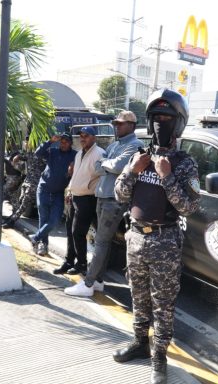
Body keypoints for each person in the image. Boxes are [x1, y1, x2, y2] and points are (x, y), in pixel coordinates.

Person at [112, 89, 200, 384]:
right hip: (135, 238)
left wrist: (167, 177)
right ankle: (139, 342)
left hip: (165, 240)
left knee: (163, 303)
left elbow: (188, 207)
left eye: (167, 118)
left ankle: (159, 356)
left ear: (178, 124)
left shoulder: (185, 163)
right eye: (156, 118)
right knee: (138, 296)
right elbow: (119, 195)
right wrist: (132, 172)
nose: (161, 123)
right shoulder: (139, 157)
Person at [63, 111, 143, 295]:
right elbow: (99, 168)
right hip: (102, 197)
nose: (116, 126)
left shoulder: (135, 145)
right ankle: (97, 280)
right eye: (115, 123)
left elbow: (115, 166)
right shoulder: (116, 145)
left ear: (132, 125)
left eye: (120, 124)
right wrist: (108, 164)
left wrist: (107, 164)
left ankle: (89, 283)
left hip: (114, 200)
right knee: (104, 242)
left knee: (101, 242)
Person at [59, 126, 105, 275]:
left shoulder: (100, 154)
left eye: (86, 135)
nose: (83, 138)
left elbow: (102, 176)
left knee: (78, 232)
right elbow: (76, 175)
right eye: (81, 136)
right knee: (70, 231)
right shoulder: (79, 153)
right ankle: (69, 261)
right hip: (75, 196)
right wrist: (70, 190)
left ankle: (82, 264)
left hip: (88, 198)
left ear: (94, 137)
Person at [27, 132, 77, 256]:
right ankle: (43, 246)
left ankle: (35, 237)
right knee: (43, 219)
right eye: (62, 141)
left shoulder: (75, 155)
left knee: (54, 221)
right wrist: (50, 141)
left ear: (71, 143)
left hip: (58, 193)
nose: (63, 144)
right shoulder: (53, 151)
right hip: (43, 189)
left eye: (66, 142)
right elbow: (38, 153)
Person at [2, 136, 45, 231]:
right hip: (27, 181)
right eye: (26, 142)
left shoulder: (42, 154)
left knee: (24, 203)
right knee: (21, 200)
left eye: (27, 142)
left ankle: (12, 221)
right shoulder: (29, 153)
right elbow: (22, 158)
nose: (26, 144)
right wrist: (16, 159)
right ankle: (13, 216)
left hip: (36, 182)